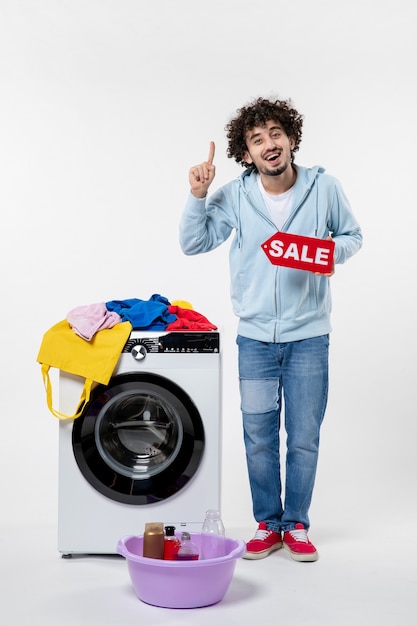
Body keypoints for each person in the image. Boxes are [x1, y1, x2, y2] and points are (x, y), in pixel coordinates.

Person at [179, 97, 362, 562]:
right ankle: (267, 524)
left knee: (303, 435)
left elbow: (352, 236)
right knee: (258, 436)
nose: (268, 144)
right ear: (247, 154)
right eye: (256, 139)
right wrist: (198, 195)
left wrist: (326, 252)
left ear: (292, 139)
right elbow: (194, 242)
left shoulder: (325, 188)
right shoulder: (236, 197)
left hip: (309, 337)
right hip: (255, 338)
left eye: (275, 134)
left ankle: (296, 525)